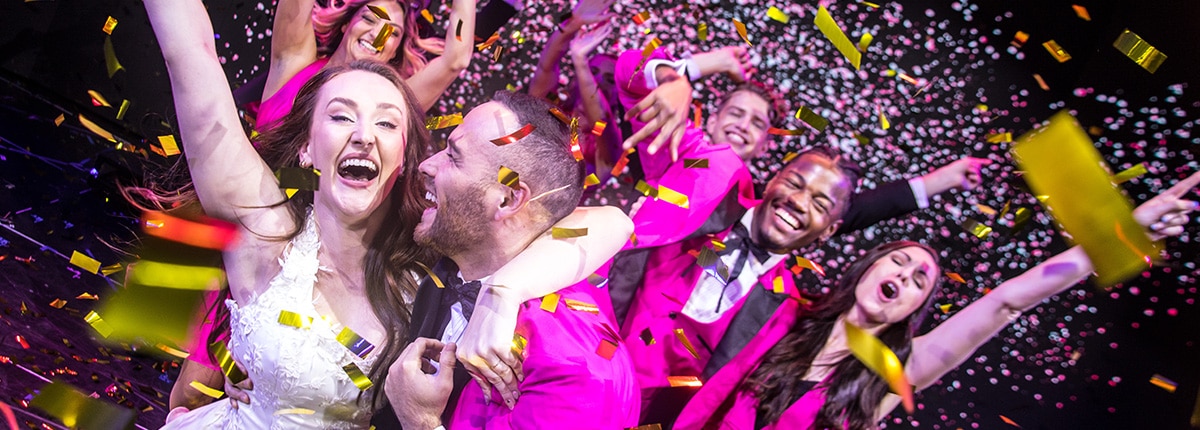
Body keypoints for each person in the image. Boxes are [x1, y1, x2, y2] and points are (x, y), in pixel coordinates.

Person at [144, 1, 629, 427]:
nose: (363, 134)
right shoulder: (265, 231)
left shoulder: (426, 262)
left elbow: (612, 221)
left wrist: (505, 293)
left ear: (404, 158)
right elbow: (189, 52)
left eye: (386, 122)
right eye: (340, 116)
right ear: (309, 148)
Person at [602, 45, 991, 422]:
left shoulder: (787, 311)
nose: (801, 202)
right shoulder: (704, 174)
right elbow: (628, 71)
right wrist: (675, 75)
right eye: (796, 183)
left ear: (830, 230)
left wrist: (940, 181)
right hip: (569, 363)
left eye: (821, 205)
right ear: (772, 179)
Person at [675, 171, 1200, 429]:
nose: (905, 275)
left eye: (920, 280)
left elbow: (1007, 302)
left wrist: (1119, 235)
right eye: (898, 261)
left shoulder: (891, 370)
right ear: (868, 267)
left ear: (913, 310)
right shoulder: (785, 313)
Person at [380, 91, 640, 429]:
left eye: (454, 157)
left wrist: (420, 420)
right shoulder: (449, 261)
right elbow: (611, 220)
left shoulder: (573, 364)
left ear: (508, 199)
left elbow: (620, 222)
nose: (427, 165)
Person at [257, 0, 475, 130]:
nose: (375, 35)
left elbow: (455, 59)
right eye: (369, 19)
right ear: (345, 24)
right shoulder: (295, 61)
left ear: (394, 52)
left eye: (391, 33)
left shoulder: (392, 103)